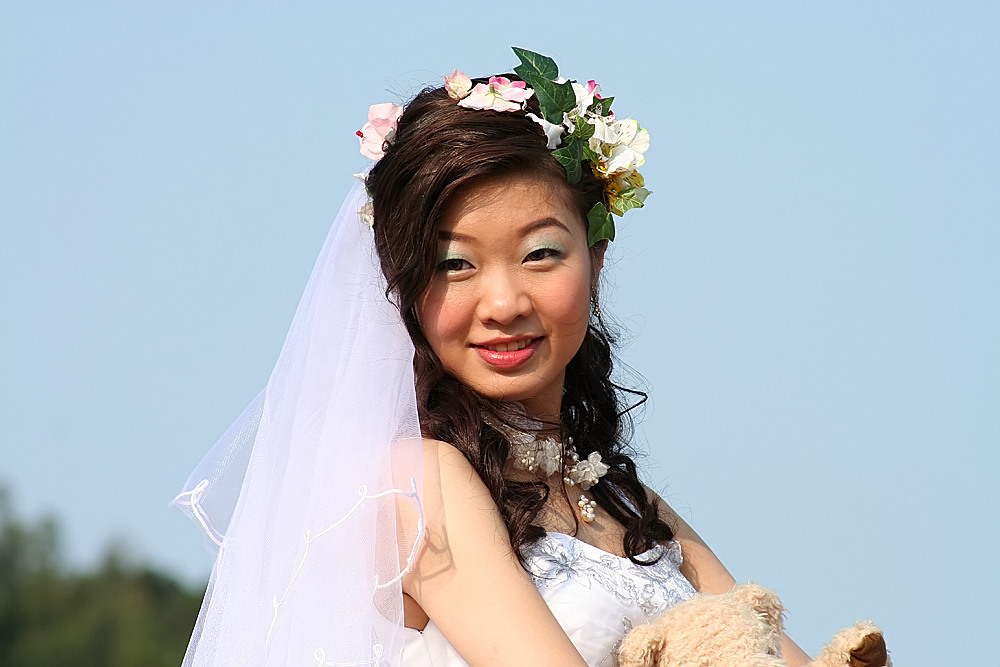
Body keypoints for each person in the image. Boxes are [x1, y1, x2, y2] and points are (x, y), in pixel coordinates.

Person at [173, 48, 812, 666]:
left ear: (597, 258)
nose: (502, 303)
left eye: (541, 253)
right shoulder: (417, 484)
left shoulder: (630, 504)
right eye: (455, 265)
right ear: (405, 287)